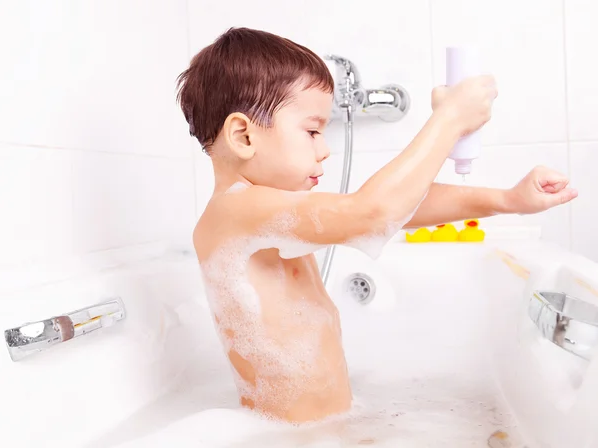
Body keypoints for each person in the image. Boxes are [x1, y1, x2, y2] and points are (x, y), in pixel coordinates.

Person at [176, 27, 577, 423]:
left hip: (319, 429)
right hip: (292, 437)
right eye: (313, 130)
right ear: (244, 136)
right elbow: (373, 213)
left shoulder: (269, 213)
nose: (326, 148)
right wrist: (449, 120)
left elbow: (395, 208)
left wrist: (507, 200)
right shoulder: (233, 212)